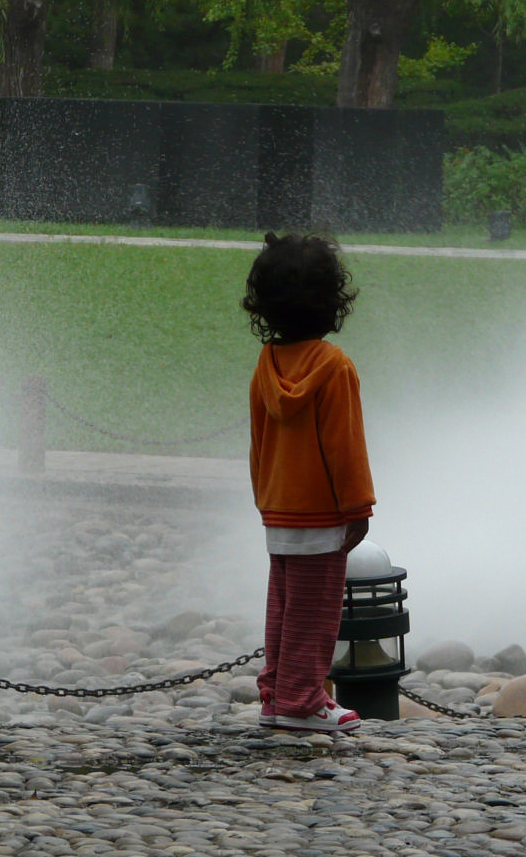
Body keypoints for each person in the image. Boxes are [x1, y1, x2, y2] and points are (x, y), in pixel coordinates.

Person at [242, 232, 375, 733]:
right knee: (315, 614)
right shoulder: (333, 367)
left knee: (281, 610)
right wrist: (358, 506)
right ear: (330, 301)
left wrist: (265, 499)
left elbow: (257, 442)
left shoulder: (267, 364)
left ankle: (276, 695)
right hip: (319, 512)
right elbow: (345, 445)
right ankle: (303, 701)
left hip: (278, 507)